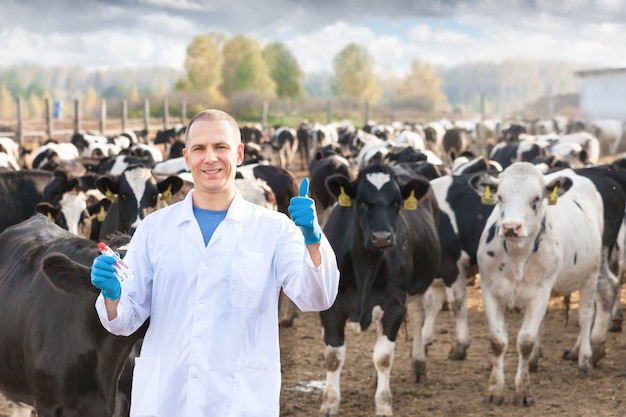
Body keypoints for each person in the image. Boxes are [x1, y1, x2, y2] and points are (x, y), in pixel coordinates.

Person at [90, 109, 340, 417]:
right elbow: (125, 319)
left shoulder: (274, 229)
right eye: (199, 148)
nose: (210, 158)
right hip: (167, 400)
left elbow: (317, 296)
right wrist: (113, 296)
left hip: (240, 402)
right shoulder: (154, 231)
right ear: (186, 157)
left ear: (238, 153)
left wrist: (313, 239)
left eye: (220, 147)